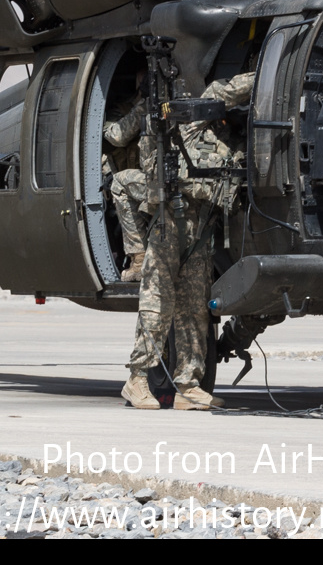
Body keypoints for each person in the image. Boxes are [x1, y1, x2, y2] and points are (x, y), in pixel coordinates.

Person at [120, 72, 253, 411]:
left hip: (202, 229)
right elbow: (227, 89)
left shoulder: (232, 140)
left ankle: (188, 385)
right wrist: (270, 70)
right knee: (157, 302)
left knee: (194, 310)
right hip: (171, 224)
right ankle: (136, 379)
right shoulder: (192, 123)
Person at [103, 73, 152, 282]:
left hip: (153, 179)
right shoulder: (122, 109)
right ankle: (139, 260)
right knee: (119, 184)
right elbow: (116, 136)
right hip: (133, 183)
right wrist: (145, 105)